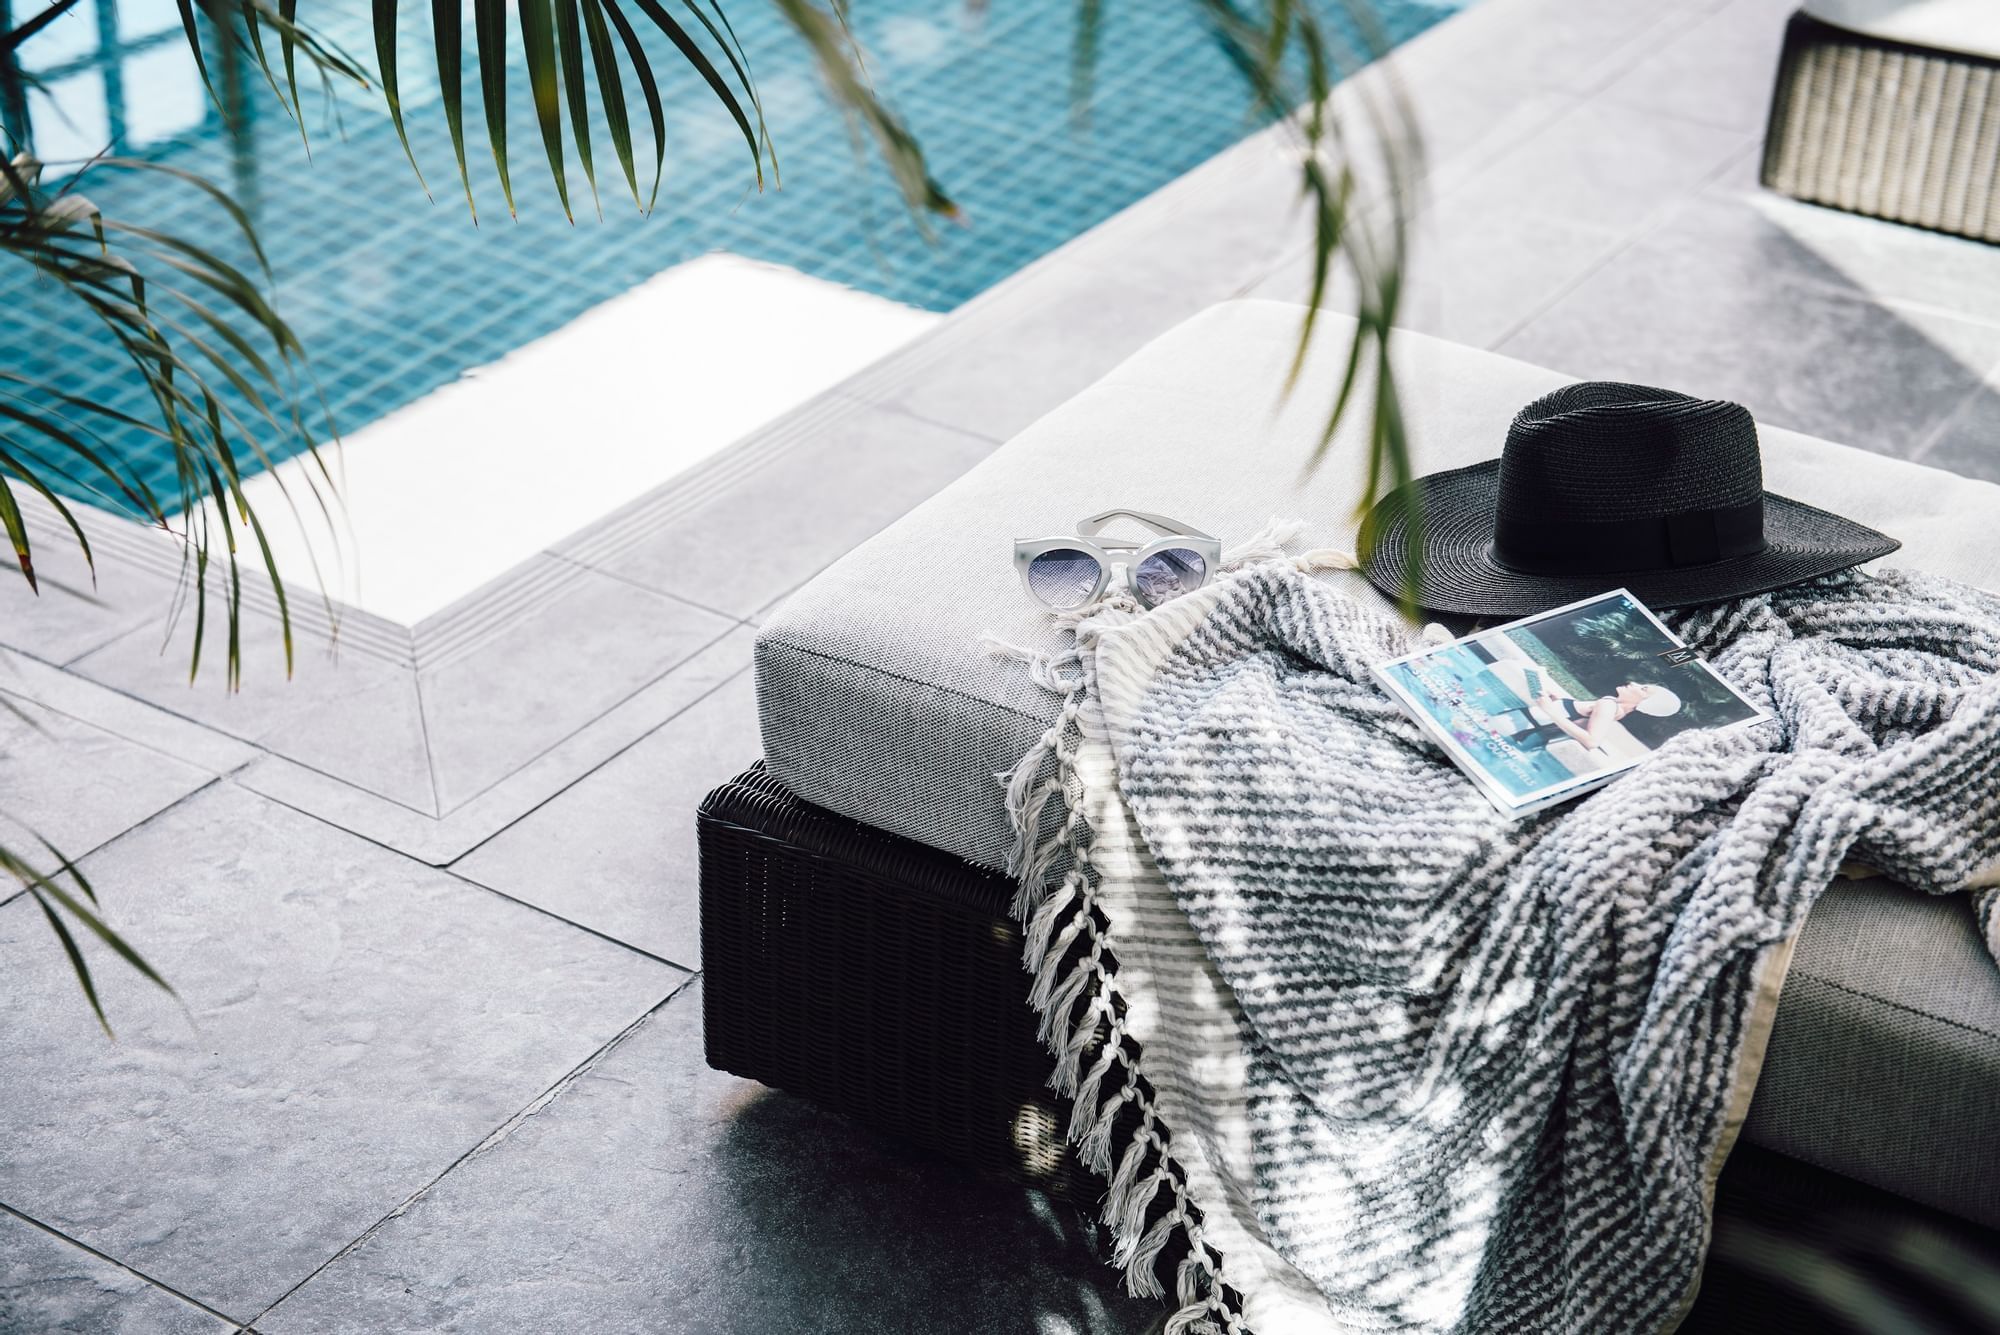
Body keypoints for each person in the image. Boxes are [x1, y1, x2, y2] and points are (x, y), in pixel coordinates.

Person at [1513, 679, 1683, 754]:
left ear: (1644, 704)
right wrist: (1559, 701)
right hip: (1525, 727)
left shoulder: (1609, 705)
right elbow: (1578, 719)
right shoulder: (1615, 708)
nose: (1633, 683)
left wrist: (1550, 710)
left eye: (1642, 689)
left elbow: (1592, 741)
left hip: (1520, 725)